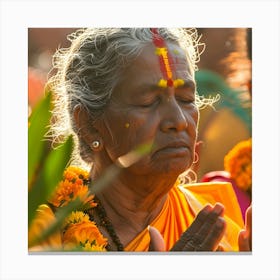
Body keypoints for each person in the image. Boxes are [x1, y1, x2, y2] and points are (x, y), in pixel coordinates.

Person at [28, 28, 252, 252]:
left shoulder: (220, 225)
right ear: (89, 124)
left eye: (186, 99)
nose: (179, 120)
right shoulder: (44, 232)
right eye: (149, 102)